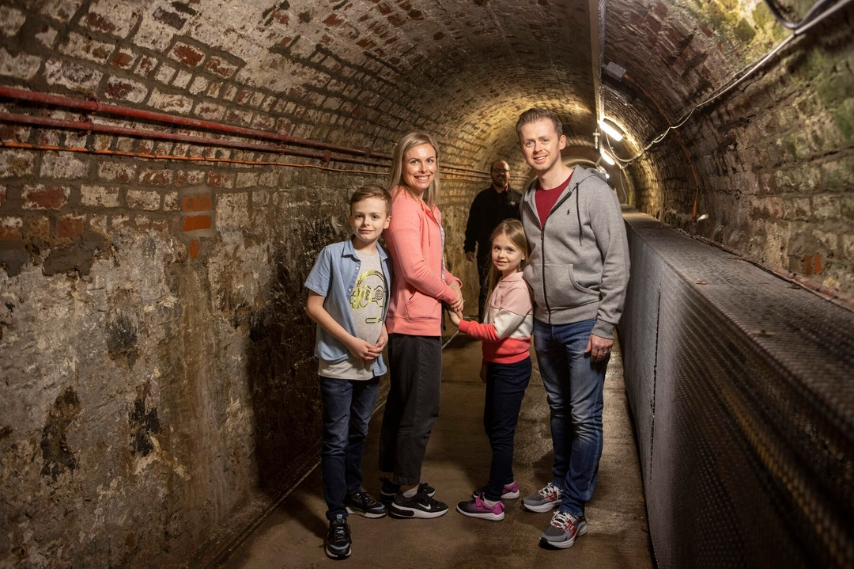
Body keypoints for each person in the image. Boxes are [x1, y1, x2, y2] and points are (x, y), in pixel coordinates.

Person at [515, 108, 630, 549]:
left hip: (584, 321)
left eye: (545, 139)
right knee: (559, 410)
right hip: (545, 323)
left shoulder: (593, 191)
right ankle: (561, 482)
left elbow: (617, 259)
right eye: (529, 142)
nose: (537, 148)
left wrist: (606, 325)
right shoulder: (527, 196)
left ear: (561, 141)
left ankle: (575, 508)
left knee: (585, 416)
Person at [377, 131, 464, 519]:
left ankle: (395, 478)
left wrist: (451, 280)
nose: (424, 168)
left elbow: (432, 260)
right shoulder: (404, 206)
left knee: (402, 402)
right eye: (415, 161)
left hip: (421, 317)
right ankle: (407, 493)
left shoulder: (425, 205)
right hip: (413, 321)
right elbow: (413, 270)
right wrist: (448, 295)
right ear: (402, 163)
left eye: (429, 160)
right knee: (421, 408)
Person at [304, 185, 394, 560]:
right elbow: (314, 306)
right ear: (350, 217)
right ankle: (337, 515)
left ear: (386, 221)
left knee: (359, 431)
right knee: (336, 439)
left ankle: (353, 491)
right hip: (340, 365)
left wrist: (383, 335)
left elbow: (380, 308)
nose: (366, 222)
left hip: (372, 364)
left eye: (374, 216)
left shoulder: (386, 259)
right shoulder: (332, 255)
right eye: (359, 215)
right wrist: (352, 343)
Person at [449, 219, 533, 522]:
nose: (501, 254)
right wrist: (486, 362)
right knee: (491, 425)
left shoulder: (520, 288)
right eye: (497, 247)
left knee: (501, 433)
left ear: (523, 254)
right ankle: (506, 483)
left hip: (512, 369)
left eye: (510, 249)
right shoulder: (501, 282)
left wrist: (461, 326)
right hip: (499, 366)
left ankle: (493, 500)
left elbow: (496, 331)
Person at [463, 160, 522, 322]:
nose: (501, 174)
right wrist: (469, 247)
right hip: (487, 252)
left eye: (504, 170)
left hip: (512, 252)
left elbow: (524, 226)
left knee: (511, 285)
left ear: (510, 174)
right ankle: (485, 323)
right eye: (497, 170)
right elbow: (472, 223)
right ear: (491, 174)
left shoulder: (518, 198)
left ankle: (508, 321)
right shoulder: (482, 198)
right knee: (486, 287)